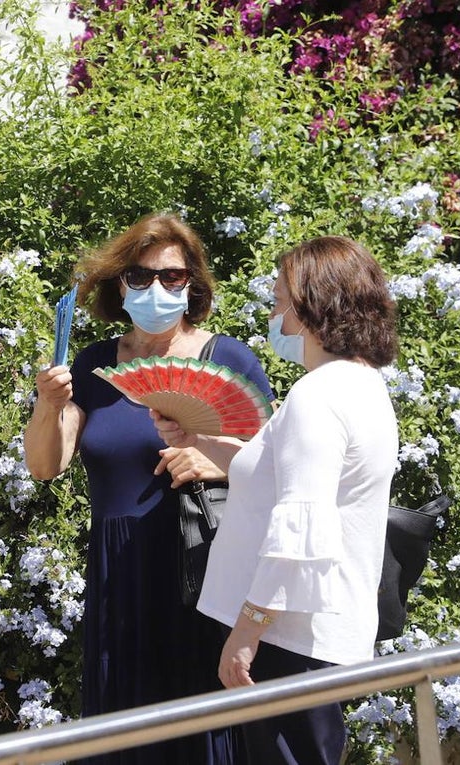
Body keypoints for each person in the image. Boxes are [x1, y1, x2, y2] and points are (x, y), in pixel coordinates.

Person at [23, 213, 272, 764]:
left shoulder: (227, 358)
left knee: (199, 726)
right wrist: (48, 404)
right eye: (140, 277)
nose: (156, 288)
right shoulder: (91, 365)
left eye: (172, 277)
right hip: (119, 574)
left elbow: (278, 465)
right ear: (120, 284)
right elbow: (46, 465)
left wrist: (213, 459)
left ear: (193, 285)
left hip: (199, 568)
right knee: (123, 733)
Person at [155, 236, 398, 765]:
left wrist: (246, 633)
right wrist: (196, 438)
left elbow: (300, 528)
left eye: (279, 299)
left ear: (313, 305)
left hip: (289, 639)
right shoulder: (357, 383)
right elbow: (276, 469)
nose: (273, 312)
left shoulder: (320, 396)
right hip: (305, 634)